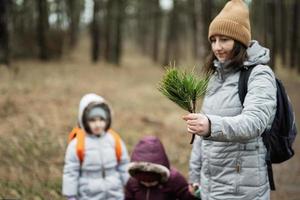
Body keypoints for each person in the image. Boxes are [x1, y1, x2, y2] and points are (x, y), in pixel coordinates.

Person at [183, 0, 277, 199]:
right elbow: (202, 137)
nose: (217, 47)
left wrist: (210, 125)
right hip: (210, 186)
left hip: (243, 189)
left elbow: (254, 122)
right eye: (213, 40)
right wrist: (194, 176)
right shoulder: (216, 76)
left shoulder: (259, 75)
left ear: (240, 41)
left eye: (224, 39)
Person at [62, 93, 129, 200]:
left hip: (114, 193)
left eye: (101, 119)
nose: (98, 125)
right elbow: (71, 171)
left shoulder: (114, 139)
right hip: (89, 194)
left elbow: (124, 165)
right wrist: (71, 195)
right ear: (83, 120)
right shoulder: (77, 143)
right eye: (92, 120)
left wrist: (129, 186)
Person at [125, 136, 199, 200]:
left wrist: (192, 193)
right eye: (143, 182)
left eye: (152, 182)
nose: (148, 184)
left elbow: (186, 196)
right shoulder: (132, 182)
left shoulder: (174, 179)